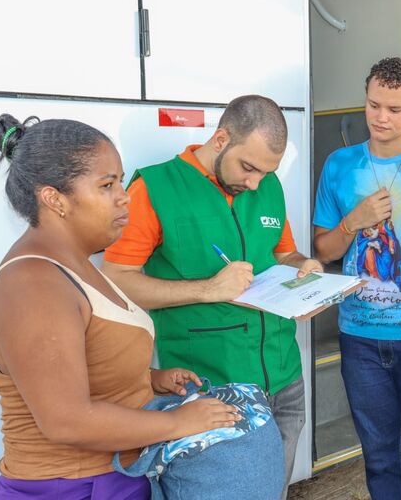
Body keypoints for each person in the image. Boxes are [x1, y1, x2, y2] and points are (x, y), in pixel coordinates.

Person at [0, 114, 242, 499]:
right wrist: (180, 423)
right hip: (68, 488)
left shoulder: (78, 262)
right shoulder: (32, 284)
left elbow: (79, 366)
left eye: (120, 180)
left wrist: (149, 380)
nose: (124, 195)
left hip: (114, 476)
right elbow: (66, 420)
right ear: (54, 199)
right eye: (107, 184)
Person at [102, 94, 322, 495]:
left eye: (265, 173)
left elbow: (283, 253)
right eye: (249, 167)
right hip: (214, 387)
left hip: (285, 375)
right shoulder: (154, 186)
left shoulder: (266, 184)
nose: (255, 183)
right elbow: (116, 280)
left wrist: (306, 270)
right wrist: (208, 289)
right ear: (221, 139)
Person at [313, 57, 401, 499]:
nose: (381, 118)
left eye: (395, 110)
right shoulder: (339, 165)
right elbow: (324, 251)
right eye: (374, 105)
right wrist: (352, 222)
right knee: (379, 456)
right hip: (358, 336)